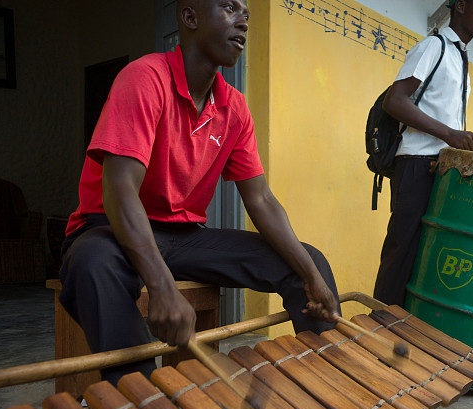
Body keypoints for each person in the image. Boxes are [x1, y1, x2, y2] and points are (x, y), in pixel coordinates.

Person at [59, 0, 340, 385]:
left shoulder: (235, 108)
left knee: (306, 260)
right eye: (228, 8)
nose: (243, 21)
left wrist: (311, 276)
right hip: (111, 229)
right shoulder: (144, 78)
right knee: (92, 263)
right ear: (189, 17)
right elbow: (119, 189)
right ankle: (139, 402)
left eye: (247, 14)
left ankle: (331, 390)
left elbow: (260, 199)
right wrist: (160, 285)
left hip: (183, 237)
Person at [372, 0, 473, 307]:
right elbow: (395, 101)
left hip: (440, 165)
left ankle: (409, 330)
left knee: (427, 254)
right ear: (460, 5)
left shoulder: (459, 55)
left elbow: (445, 124)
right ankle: (381, 329)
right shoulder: (433, 46)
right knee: (402, 252)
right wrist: (449, 135)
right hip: (416, 165)